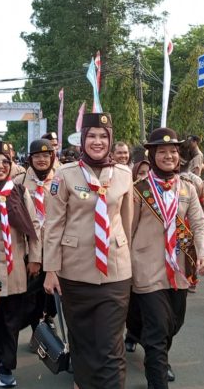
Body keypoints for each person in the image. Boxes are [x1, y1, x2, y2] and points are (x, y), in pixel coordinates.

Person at [43, 112, 134, 389]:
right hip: (75, 272)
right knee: (82, 343)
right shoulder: (65, 175)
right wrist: (51, 270)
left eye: (103, 136)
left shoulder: (123, 174)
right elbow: (53, 225)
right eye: (92, 135)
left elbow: (127, 223)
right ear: (83, 139)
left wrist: (129, 260)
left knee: (110, 346)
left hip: (115, 272)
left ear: (110, 139)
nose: (97, 141)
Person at [128, 128, 204, 387]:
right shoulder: (139, 189)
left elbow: (199, 224)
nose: (169, 156)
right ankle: (157, 375)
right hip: (146, 269)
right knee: (157, 328)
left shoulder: (187, 188)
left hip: (178, 269)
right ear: (152, 155)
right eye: (162, 151)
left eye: (173, 152)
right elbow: (128, 229)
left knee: (173, 323)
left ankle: (158, 357)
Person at [0, 141, 41, 387]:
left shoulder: (20, 192)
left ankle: (5, 366)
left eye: (5, 161)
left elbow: (34, 225)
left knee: (12, 320)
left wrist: (35, 258)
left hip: (16, 268)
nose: (0, 166)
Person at [12, 139, 58, 331]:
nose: (42, 160)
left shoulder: (60, 179)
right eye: (37, 156)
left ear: (52, 157)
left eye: (46, 156)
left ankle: (47, 320)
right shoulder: (19, 181)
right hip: (29, 245)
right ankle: (33, 325)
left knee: (51, 292)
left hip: (54, 245)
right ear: (30, 159)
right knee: (30, 293)